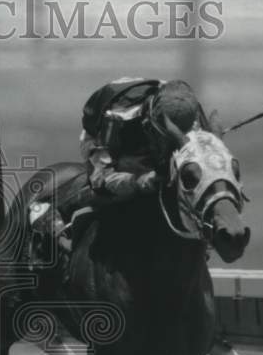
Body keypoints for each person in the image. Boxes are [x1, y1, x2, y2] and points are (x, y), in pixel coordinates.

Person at [31, 77, 202, 259]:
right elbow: (102, 178)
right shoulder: (118, 119)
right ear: (150, 120)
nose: (168, 142)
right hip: (105, 141)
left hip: (145, 136)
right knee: (119, 192)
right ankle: (52, 210)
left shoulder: (192, 117)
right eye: (164, 136)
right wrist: (137, 181)